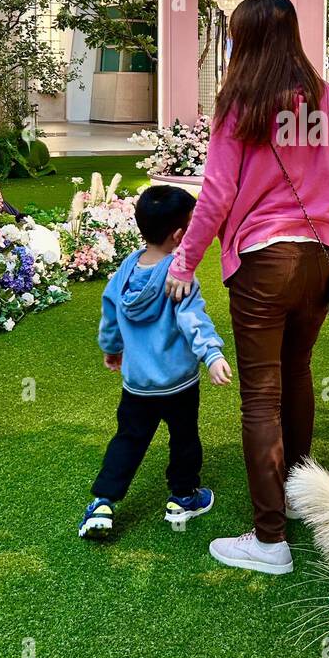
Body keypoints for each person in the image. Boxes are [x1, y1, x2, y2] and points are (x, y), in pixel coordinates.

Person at [166, 0, 329, 577]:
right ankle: (300, 496)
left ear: (242, 40)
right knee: (296, 372)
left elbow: (218, 194)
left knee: (262, 393)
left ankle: (269, 539)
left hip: (264, 258)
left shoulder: (241, 104)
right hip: (322, 258)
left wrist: (182, 264)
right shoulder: (328, 97)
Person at [79, 184, 233, 540]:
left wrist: (112, 348)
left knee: (128, 440)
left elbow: (110, 316)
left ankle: (103, 502)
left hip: (137, 384)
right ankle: (183, 497)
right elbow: (193, 319)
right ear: (180, 234)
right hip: (178, 383)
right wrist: (211, 354)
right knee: (184, 438)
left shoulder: (125, 270)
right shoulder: (179, 277)